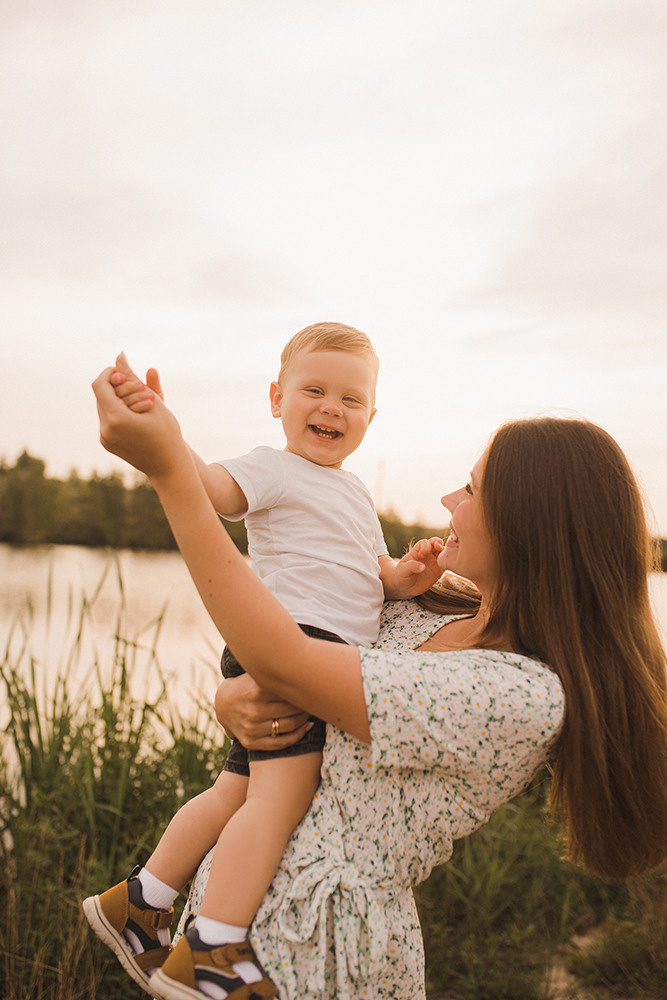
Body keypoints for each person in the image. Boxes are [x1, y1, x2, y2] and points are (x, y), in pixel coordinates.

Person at [91, 368, 667, 1000]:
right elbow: (285, 650)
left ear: (530, 525)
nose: (449, 500)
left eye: (472, 489)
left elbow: (285, 658)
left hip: (322, 959)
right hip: (223, 933)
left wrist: (170, 470)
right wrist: (232, 698)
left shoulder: (520, 695)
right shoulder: (417, 611)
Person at [83, 326, 443, 1000]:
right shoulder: (272, 468)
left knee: (237, 792)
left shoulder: (355, 493)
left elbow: (373, 576)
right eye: (314, 391)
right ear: (277, 399)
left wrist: (407, 575)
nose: (332, 407)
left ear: (371, 416)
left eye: (350, 398)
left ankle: (139, 898)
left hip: (311, 649)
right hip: (290, 641)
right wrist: (161, 430)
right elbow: (208, 487)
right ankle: (212, 949)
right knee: (279, 801)